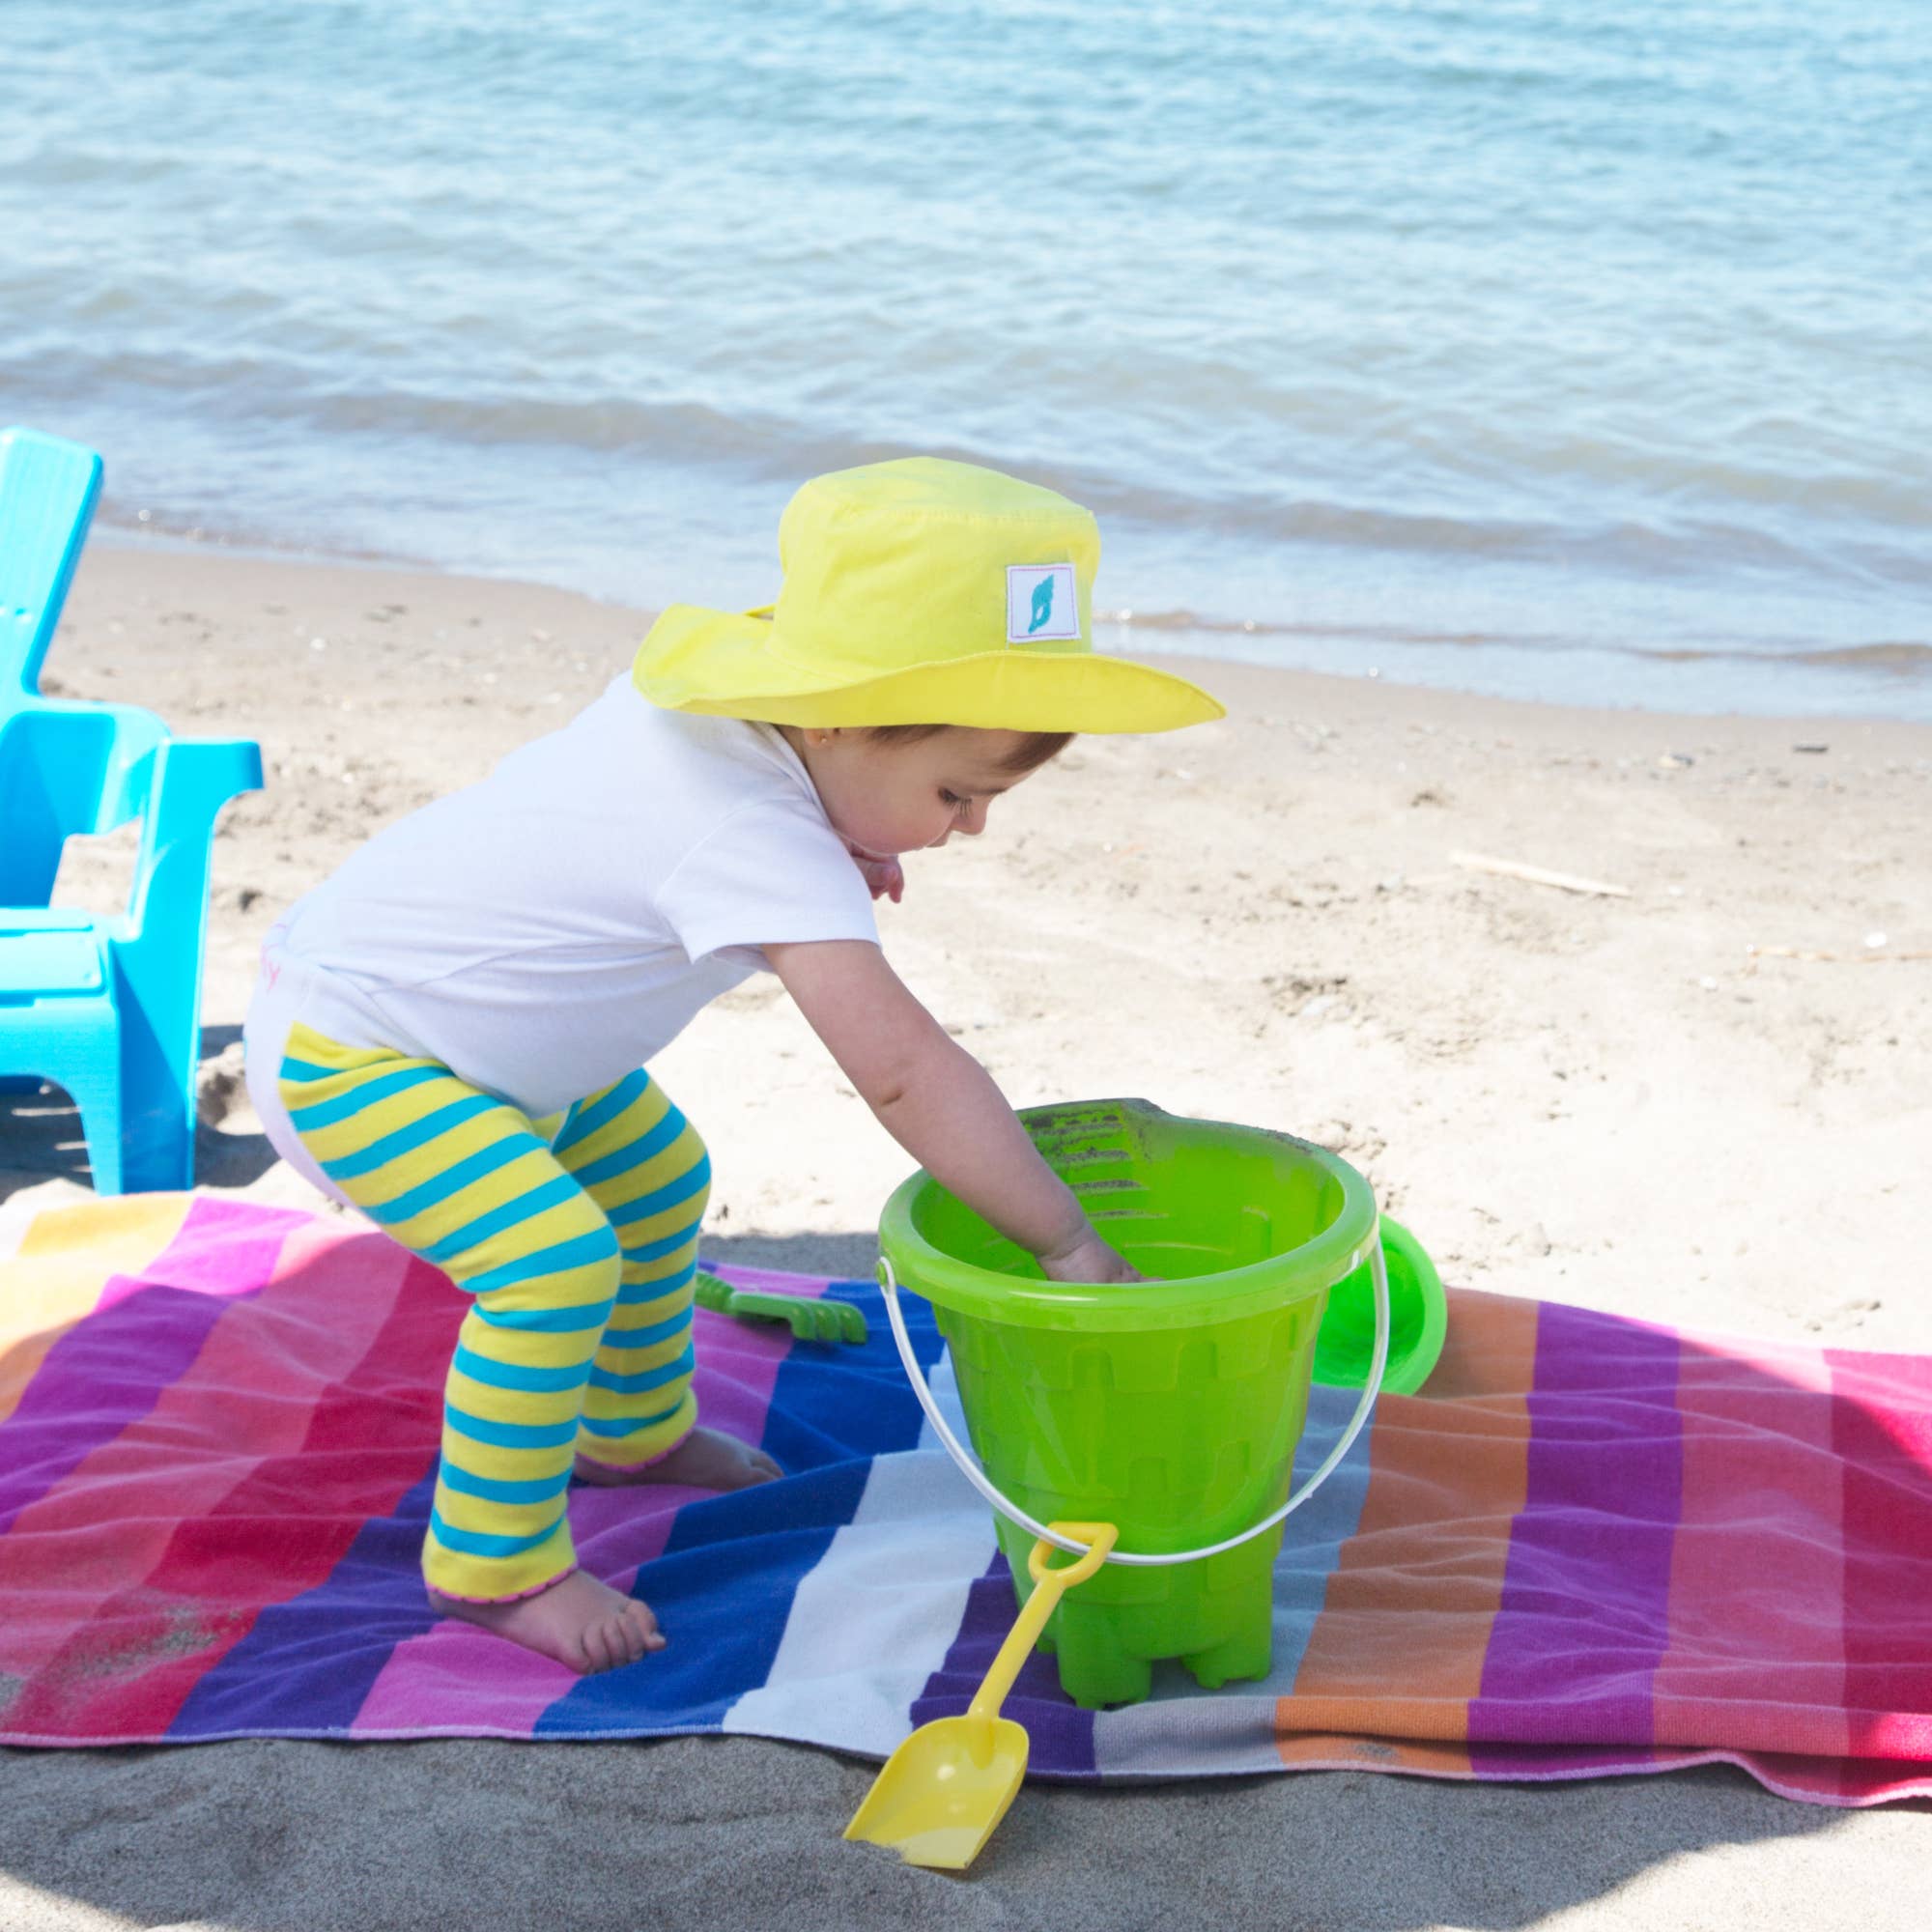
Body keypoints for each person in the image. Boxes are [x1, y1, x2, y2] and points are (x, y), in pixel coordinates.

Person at [242, 455, 1225, 1674]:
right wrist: (1066, 1239)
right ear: (830, 720)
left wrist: (841, 830)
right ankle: (492, 1568)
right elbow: (906, 1070)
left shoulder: (729, 737)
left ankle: (631, 1430)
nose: (971, 824)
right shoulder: (749, 834)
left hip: (478, 1040)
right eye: (955, 790)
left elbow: (642, 839)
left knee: (657, 1177)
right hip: (361, 1054)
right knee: (551, 1263)